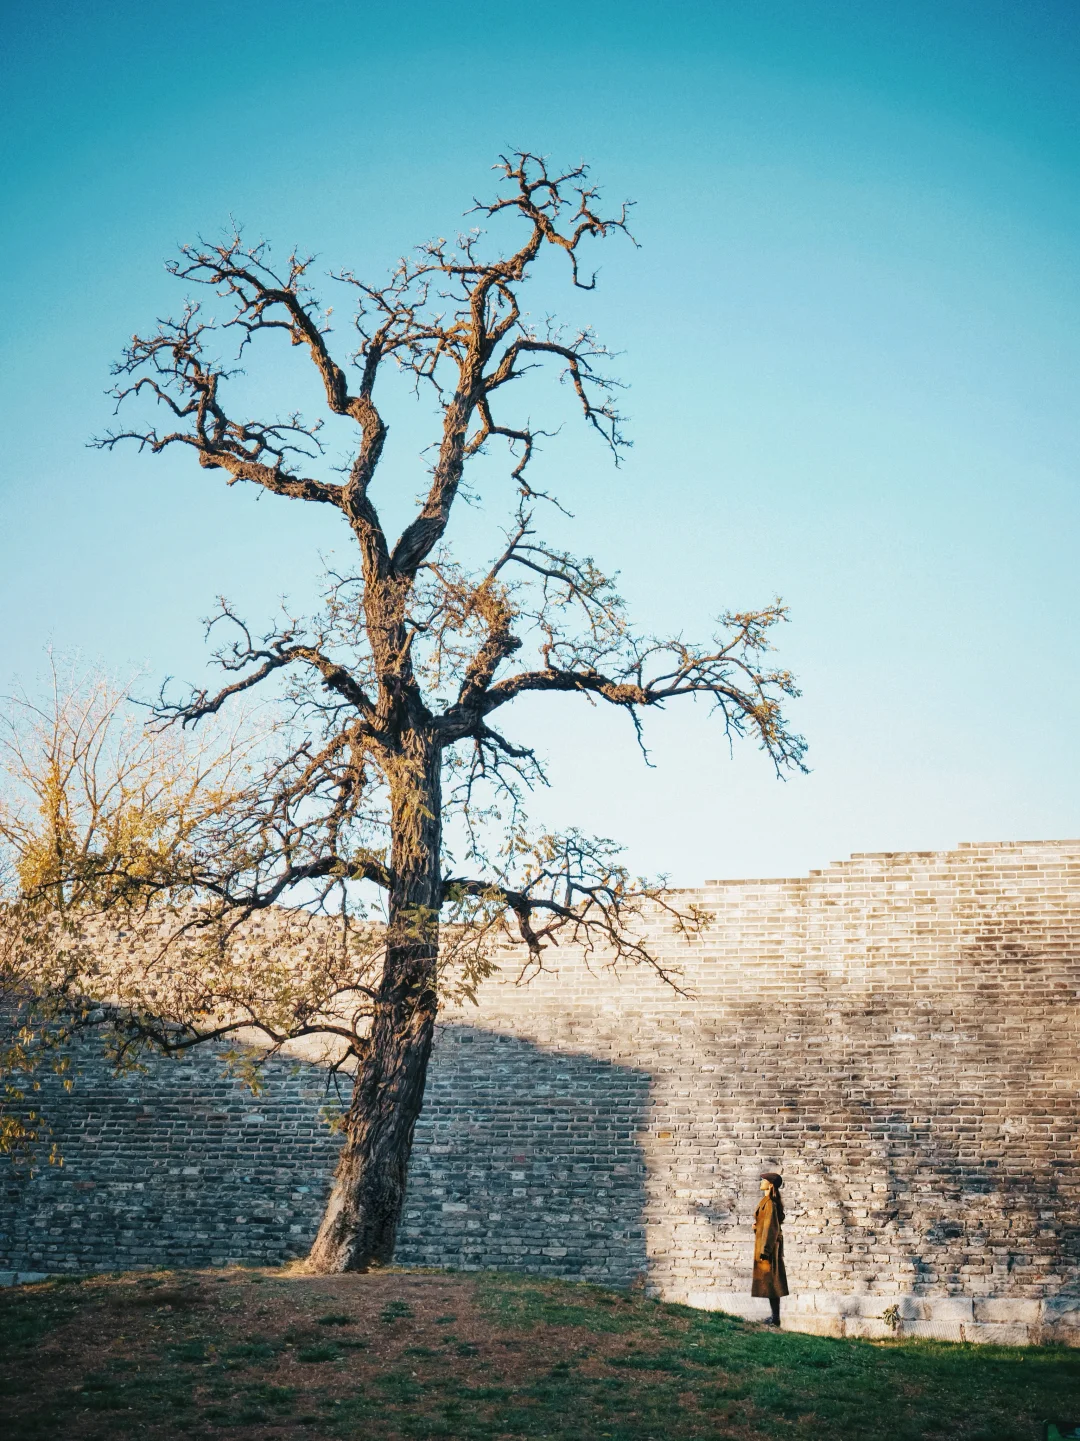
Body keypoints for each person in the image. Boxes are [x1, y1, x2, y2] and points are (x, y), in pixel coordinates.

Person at [752, 1171, 788, 1325]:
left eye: (764, 1180)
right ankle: (775, 1317)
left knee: (773, 1283)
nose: (761, 1181)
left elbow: (771, 1228)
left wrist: (765, 1251)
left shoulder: (770, 1204)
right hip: (765, 1246)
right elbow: (765, 1225)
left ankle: (775, 1318)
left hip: (768, 1249)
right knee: (770, 1283)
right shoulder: (767, 1201)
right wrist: (756, 1226)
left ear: (771, 1184)